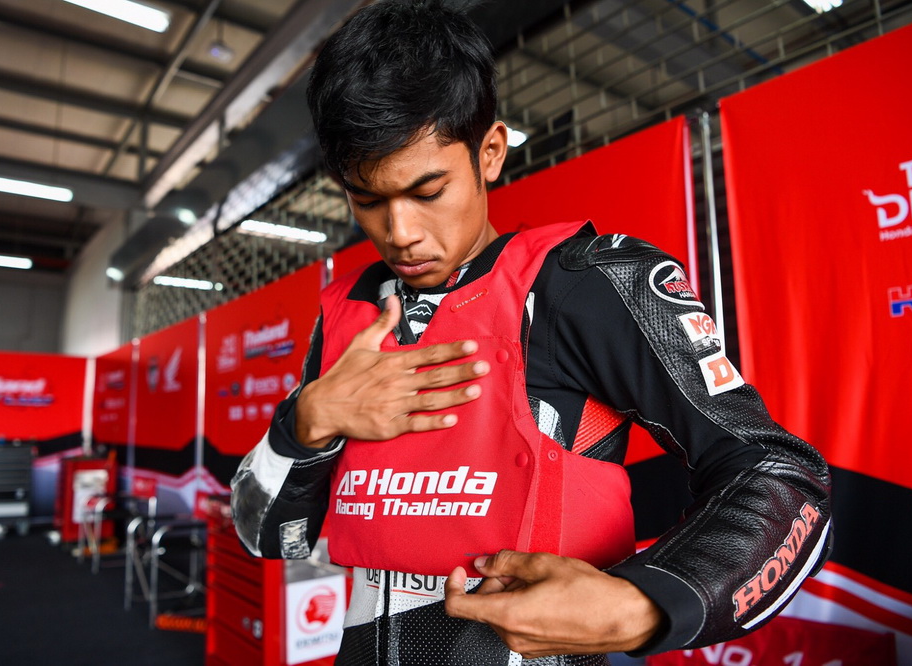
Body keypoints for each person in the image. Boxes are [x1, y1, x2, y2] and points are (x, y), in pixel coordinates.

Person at [230, 1, 832, 663]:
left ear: (489, 152)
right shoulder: (348, 314)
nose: (399, 233)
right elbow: (270, 538)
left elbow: (780, 476)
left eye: (428, 191)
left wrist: (642, 605)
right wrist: (306, 422)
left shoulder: (583, 286)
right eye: (367, 199)